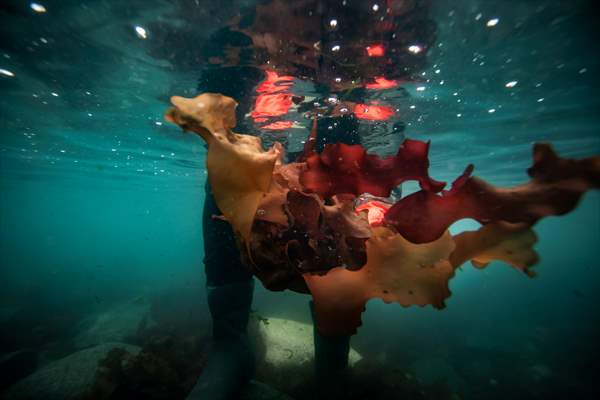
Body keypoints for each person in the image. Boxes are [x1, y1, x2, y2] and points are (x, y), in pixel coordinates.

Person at [184, 1, 436, 398]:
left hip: (343, 114)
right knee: (229, 177)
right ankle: (229, 345)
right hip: (265, 95)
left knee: (340, 226)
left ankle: (330, 367)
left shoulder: (355, 62)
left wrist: (373, 212)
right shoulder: (254, 53)